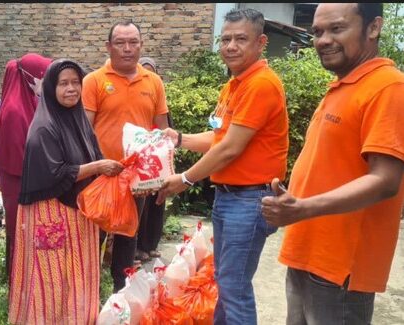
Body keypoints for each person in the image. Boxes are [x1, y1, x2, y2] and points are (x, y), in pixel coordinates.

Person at [261, 3, 404, 324]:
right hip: (308, 252)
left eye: (336, 29)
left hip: (341, 267)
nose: (323, 40)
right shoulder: (343, 86)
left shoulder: (389, 87)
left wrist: (304, 208)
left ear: (373, 27)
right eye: (317, 32)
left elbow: (385, 179)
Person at [156, 8, 288, 325]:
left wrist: (185, 179)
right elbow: (219, 137)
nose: (230, 46)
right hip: (229, 198)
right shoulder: (234, 86)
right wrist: (180, 139)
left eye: (240, 39)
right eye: (226, 38)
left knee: (234, 287)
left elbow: (229, 149)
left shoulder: (260, 85)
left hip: (249, 201)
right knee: (226, 282)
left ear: (261, 42)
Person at [8, 58, 123, 325]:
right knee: (52, 284)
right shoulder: (43, 128)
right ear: (50, 88)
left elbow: (94, 155)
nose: (71, 89)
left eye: (75, 83)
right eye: (63, 84)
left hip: (79, 215)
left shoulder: (79, 120)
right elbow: (55, 174)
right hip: (51, 215)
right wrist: (98, 166)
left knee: (76, 279)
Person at [82, 20, 170, 291]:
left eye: (133, 42)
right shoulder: (94, 81)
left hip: (138, 178)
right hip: (103, 175)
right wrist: (92, 167)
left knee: (127, 235)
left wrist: (163, 178)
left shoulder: (153, 82)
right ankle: (87, 292)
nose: (127, 48)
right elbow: (84, 132)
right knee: (93, 235)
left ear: (141, 45)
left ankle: (122, 293)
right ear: (108, 47)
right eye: (120, 43)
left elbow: (163, 133)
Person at [0, 53, 52, 283]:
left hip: (26, 180)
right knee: (20, 234)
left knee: (25, 234)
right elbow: (19, 156)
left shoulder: (29, 101)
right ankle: (19, 285)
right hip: (20, 183)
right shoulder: (15, 111)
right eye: (43, 77)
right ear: (32, 77)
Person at [136, 56, 172, 261]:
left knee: (157, 203)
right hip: (140, 160)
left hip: (157, 159)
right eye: (144, 71)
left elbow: (167, 129)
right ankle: (137, 247)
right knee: (142, 206)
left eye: (151, 71)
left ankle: (150, 245)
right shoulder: (135, 98)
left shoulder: (159, 98)